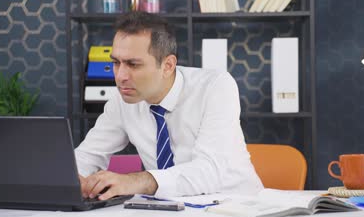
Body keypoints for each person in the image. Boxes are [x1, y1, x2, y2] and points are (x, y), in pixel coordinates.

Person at [75, 11, 263, 200]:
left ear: (168, 66)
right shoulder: (123, 100)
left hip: (235, 207)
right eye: (116, 63)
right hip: (169, 211)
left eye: (133, 64)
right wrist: (71, 178)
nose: (120, 76)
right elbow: (88, 156)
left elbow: (209, 171)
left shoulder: (216, 87)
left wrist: (136, 181)